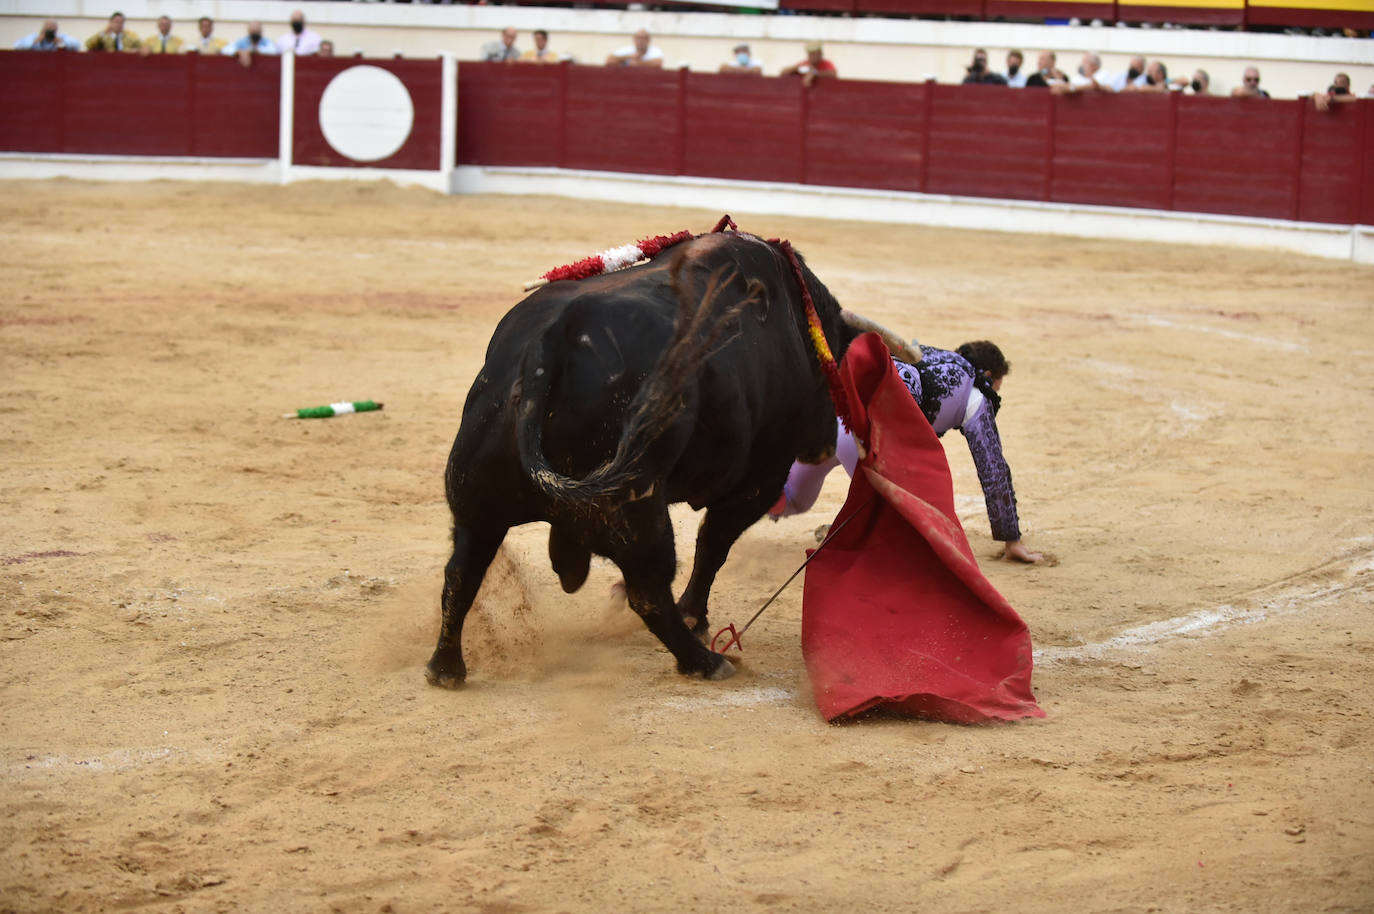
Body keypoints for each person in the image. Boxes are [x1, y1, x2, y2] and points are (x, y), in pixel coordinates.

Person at [771, 340, 1043, 563]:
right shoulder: (976, 394)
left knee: (793, 497)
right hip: (863, 430)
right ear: (987, 376)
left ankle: (742, 498)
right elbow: (993, 468)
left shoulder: (930, 353)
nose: (994, 394)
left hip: (832, 409)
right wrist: (1012, 539)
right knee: (894, 515)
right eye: (997, 386)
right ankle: (847, 538)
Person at [14, 19, 81, 51]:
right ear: (43, 29)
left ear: (56, 30)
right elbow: (16, 46)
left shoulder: (61, 37)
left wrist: (61, 42)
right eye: (47, 30)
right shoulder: (34, 37)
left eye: (52, 30)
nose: (49, 33)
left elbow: (77, 45)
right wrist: (35, 41)